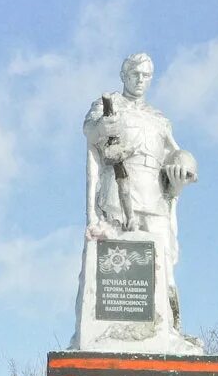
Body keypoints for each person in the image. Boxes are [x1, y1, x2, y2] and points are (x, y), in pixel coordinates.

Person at [83, 52, 196, 323]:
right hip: (119, 191)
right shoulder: (107, 104)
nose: (140, 80)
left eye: (146, 75)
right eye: (135, 74)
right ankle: (115, 327)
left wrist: (182, 173)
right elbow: (90, 132)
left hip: (154, 195)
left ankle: (168, 326)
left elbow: (176, 156)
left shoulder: (159, 118)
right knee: (118, 260)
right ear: (124, 76)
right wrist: (102, 126)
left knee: (163, 264)